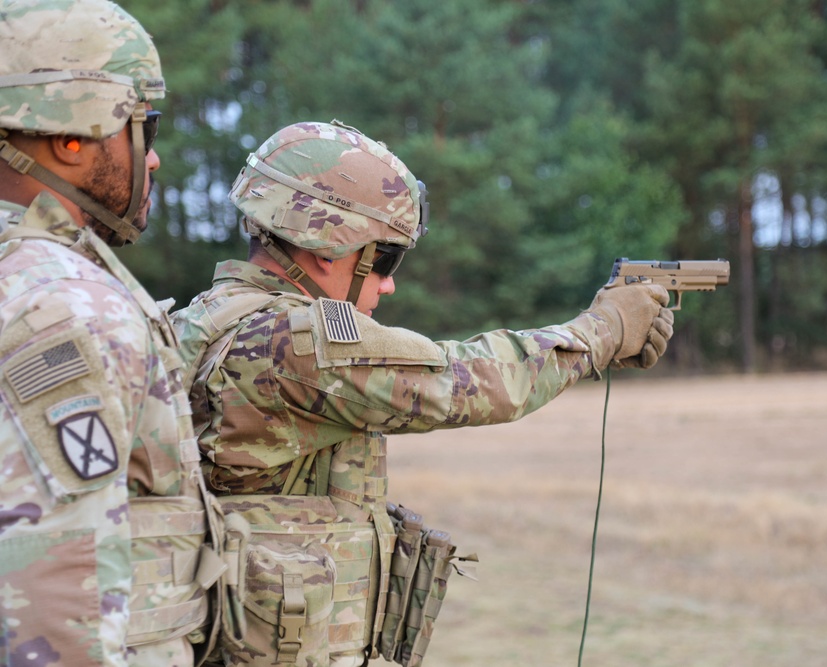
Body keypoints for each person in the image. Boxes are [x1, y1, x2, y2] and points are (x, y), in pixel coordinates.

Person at [171, 120, 674, 667]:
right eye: (384, 258)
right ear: (329, 248)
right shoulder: (291, 343)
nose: (388, 283)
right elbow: (471, 383)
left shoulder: (198, 321)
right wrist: (599, 331)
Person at [0, 2, 225, 666]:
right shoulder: (61, 303)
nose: (151, 160)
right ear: (73, 136)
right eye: (142, 128)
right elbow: (53, 597)